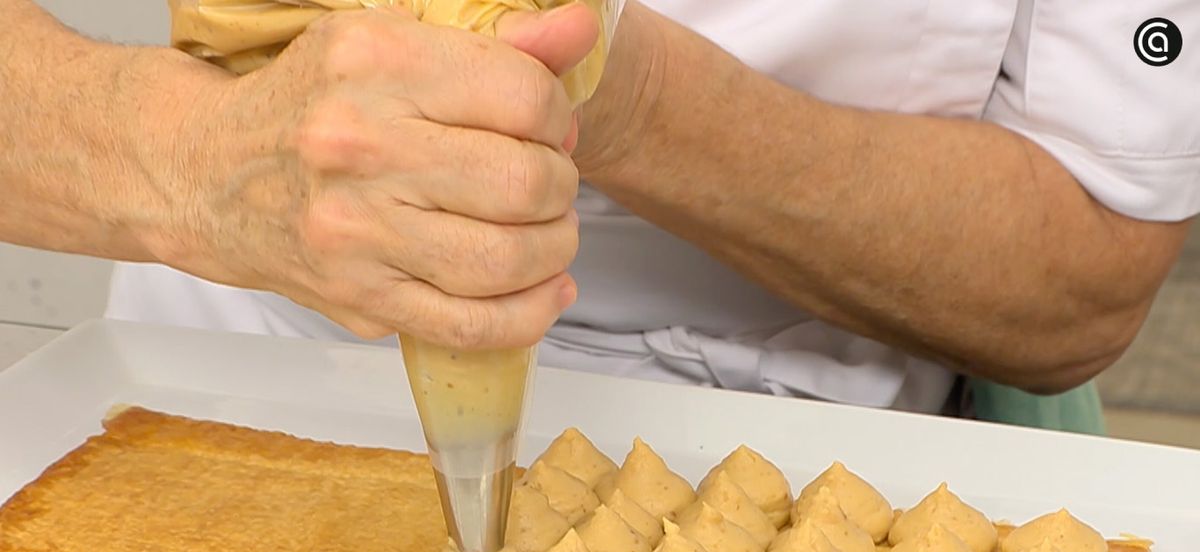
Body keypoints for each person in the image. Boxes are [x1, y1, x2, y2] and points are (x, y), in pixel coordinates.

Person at [2, 1, 1196, 429]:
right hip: (223, 382)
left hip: (797, 458)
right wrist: (179, 157)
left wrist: (620, 93)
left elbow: (1081, 278)